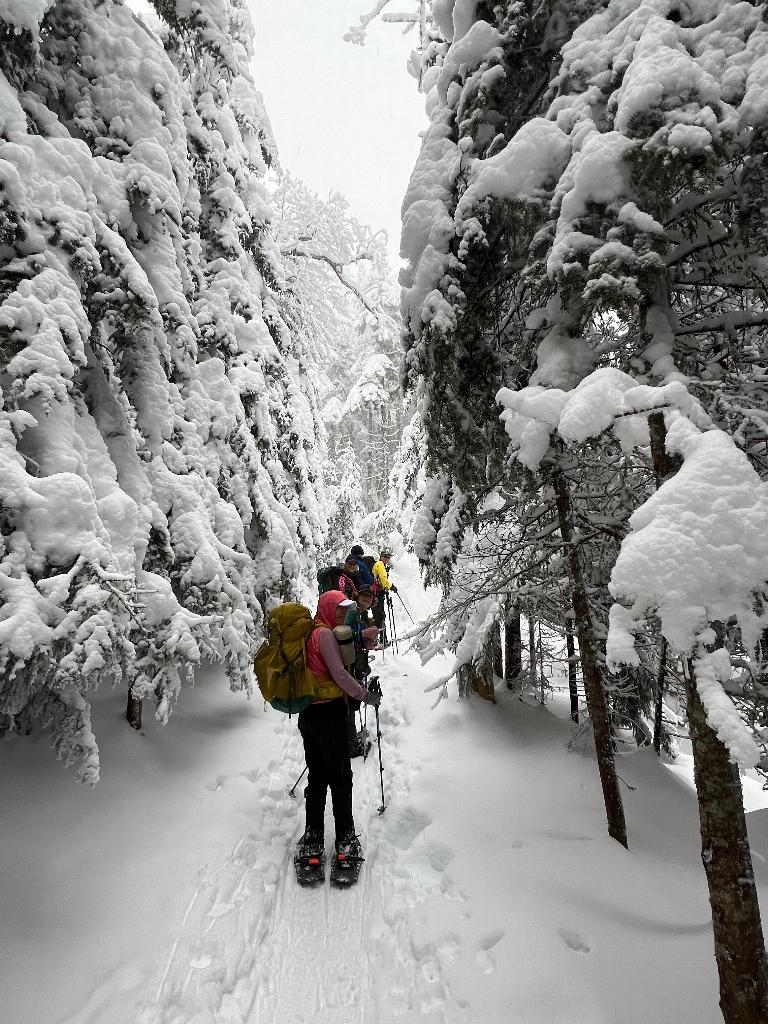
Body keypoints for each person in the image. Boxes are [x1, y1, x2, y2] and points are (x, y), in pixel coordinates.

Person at [297, 590, 381, 866]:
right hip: (330, 715)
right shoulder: (325, 636)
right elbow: (340, 674)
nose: (344, 614)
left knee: (318, 777)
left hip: (309, 714)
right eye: (340, 610)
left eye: (346, 610)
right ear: (329, 609)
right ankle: (345, 840)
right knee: (341, 778)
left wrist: (360, 637)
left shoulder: (312, 632)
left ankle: (313, 841)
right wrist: (366, 696)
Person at [345, 587, 379, 756]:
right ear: (358, 596)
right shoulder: (351, 611)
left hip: (356, 662)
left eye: (369, 597)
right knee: (350, 701)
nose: (366, 599)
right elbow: (343, 634)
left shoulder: (361, 613)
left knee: (351, 701)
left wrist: (366, 642)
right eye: (364, 595)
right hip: (348, 663)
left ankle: (350, 739)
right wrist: (362, 634)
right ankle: (350, 745)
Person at [371, 548, 397, 644]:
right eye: (385, 556)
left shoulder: (380, 565)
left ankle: (378, 639)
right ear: (381, 557)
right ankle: (381, 640)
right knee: (380, 616)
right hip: (378, 594)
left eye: (388, 557)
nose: (387, 558)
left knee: (378, 616)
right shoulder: (380, 564)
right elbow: (383, 579)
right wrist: (391, 587)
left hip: (377, 593)